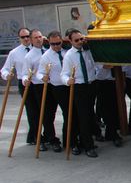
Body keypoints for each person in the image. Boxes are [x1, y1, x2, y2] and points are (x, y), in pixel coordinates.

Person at [60, 29, 99, 158]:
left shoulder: (88, 51)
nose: (80, 42)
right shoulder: (69, 56)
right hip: (79, 87)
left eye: (81, 39)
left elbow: (94, 66)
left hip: (91, 85)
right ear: (70, 41)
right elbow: (64, 74)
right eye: (76, 40)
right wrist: (67, 80)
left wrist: (95, 75)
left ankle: (85, 141)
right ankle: (88, 146)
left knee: (90, 114)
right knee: (83, 117)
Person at [22, 29, 54, 151]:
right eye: (35, 38)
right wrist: (26, 79)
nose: (39, 39)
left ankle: (49, 135)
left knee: (51, 113)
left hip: (52, 84)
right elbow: (25, 73)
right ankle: (45, 138)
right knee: (42, 114)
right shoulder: (29, 56)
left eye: (40, 36)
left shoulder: (48, 50)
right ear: (31, 40)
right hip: (39, 86)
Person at [36, 31, 68, 152]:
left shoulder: (67, 51)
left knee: (69, 113)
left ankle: (70, 139)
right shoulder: (46, 56)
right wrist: (42, 77)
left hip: (69, 86)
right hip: (56, 87)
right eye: (53, 44)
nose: (56, 46)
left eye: (58, 43)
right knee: (49, 114)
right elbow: (40, 72)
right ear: (49, 43)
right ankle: (52, 139)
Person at [94, 64, 123, 147]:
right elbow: (104, 66)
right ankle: (113, 134)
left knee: (114, 108)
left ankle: (110, 133)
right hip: (102, 81)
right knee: (107, 109)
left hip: (114, 80)